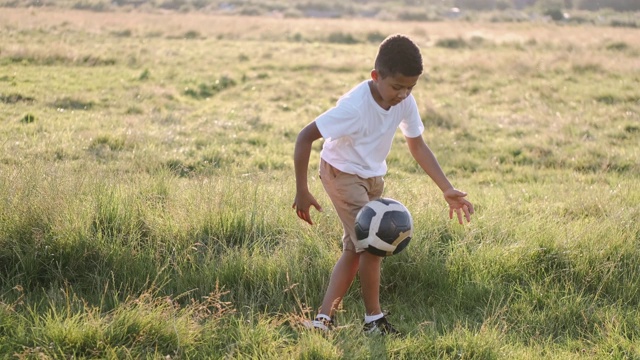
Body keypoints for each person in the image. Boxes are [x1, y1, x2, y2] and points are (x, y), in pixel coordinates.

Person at [292, 34, 474, 335]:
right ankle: (373, 321)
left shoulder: (404, 101)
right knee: (372, 246)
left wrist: (446, 188)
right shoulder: (354, 107)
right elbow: (305, 137)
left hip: (372, 177)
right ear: (376, 76)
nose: (403, 94)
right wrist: (302, 189)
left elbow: (417, 146)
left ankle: (322, 320)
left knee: (355, 248)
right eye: (397, 86)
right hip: (341, 173)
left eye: (410, 87)